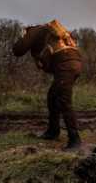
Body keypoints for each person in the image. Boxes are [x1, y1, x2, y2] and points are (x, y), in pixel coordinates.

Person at [12, 20, 83, 150]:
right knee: (52, 97)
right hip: (74, 62)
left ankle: (75, 140)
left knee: (64, 101)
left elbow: (18, 50)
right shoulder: (52, 31)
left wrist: (20, 39)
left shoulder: (33, 31)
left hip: (65, 64)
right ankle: (53, 132)